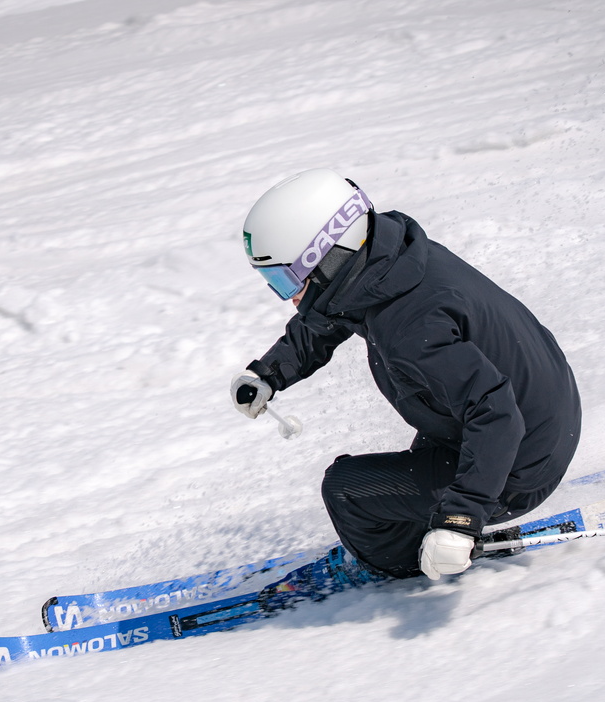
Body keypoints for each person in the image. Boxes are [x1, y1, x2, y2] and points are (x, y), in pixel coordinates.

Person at [231, 169, 581, 581]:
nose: (287, 298)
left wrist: (460, 522)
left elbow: (496, 414)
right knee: (404, 475)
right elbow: (329, 317)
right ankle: (436, 517)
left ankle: (408, 563)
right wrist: (270, 374)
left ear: (327, 256)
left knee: (346, 492)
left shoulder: (411, 326)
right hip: (538, 416)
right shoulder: (389, 263)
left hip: (519, 460)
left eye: (284, 279)